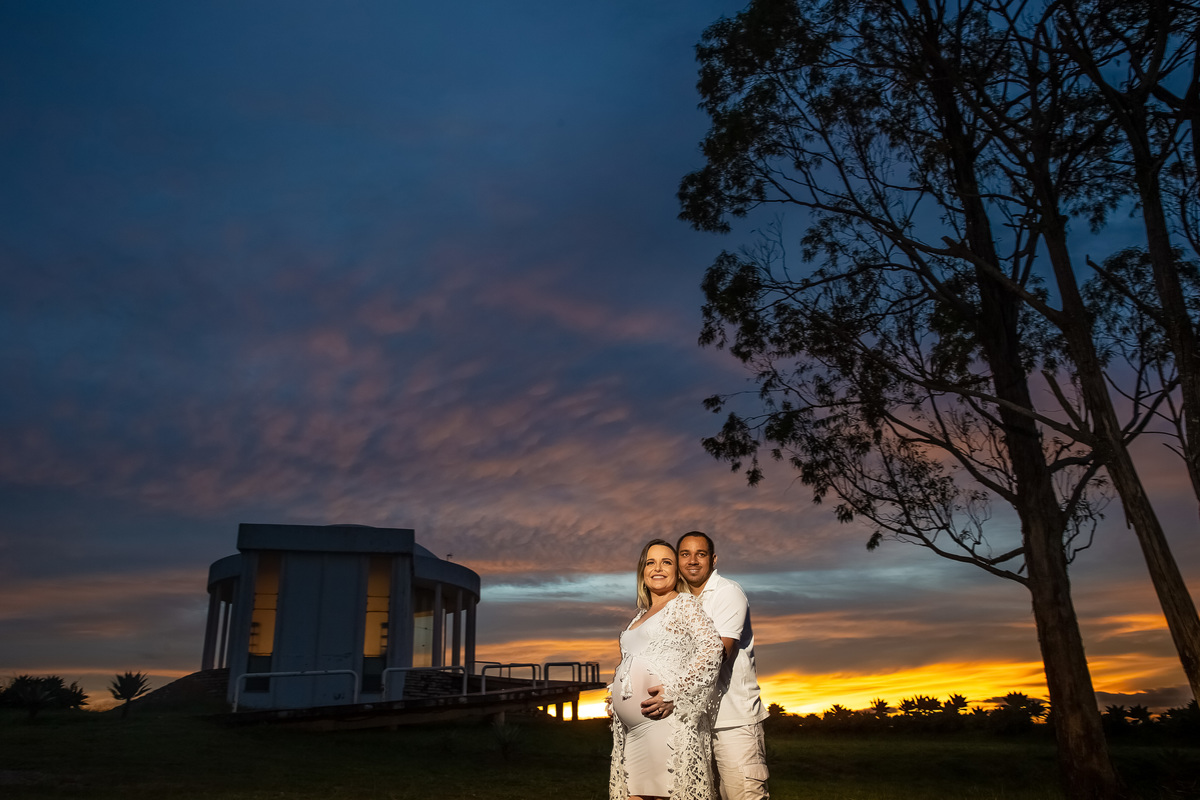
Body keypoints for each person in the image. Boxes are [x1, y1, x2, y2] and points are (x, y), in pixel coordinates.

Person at [640, 532, 770, 800]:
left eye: (700, 554)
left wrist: (673, 690)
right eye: (685, 554)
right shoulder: (677, 602)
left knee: (743, 796)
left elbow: (718, 654)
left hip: (733, 720)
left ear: (713, 559)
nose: (693, 561)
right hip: (694, 722)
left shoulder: (727, 593)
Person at [609, 538, 724, 800]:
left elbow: (711, 649)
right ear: (642, 571)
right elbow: (636, 659)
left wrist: (676, 691)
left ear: (676, 571)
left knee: (664, 794)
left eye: (666, 562)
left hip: (663, 724)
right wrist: (615, 691)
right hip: (634, 732)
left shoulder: (683, 604)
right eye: (651, 562)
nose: (657, 568)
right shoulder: (640, 616)